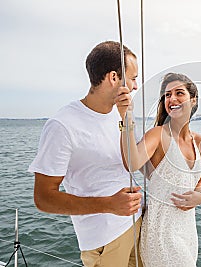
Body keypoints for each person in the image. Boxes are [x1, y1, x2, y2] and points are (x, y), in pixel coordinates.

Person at [28, 41, 143, 267]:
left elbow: (134, 160)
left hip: (137, 225)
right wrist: (109, 204)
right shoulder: (62, 125)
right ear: (113, 78)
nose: (136, 86)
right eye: (132, 78)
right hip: (104, 240)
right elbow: (43, 198)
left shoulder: (122, 112)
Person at [117, 73, 201, 266]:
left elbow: (198, 184)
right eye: (167, 95)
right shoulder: (158, 135)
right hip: (161, 235)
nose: (172, 99)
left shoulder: (199, 142)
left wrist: (200, 197)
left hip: (188, 232)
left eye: (179, 93)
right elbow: (132, 163)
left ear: (193, 100)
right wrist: (126, 117)